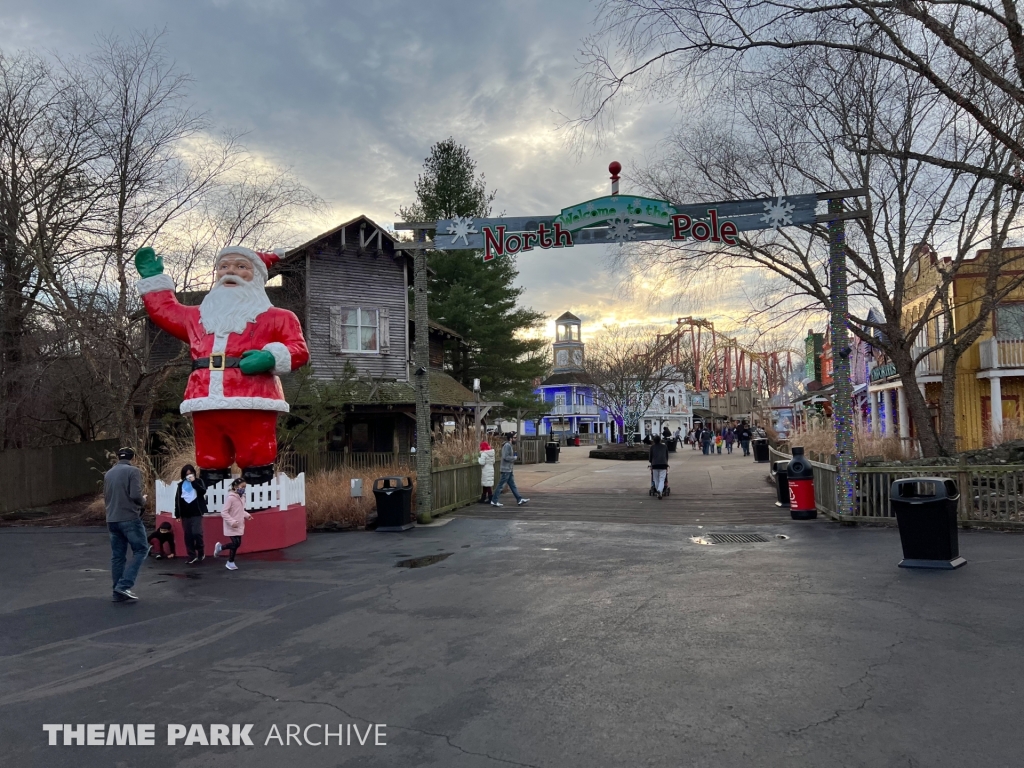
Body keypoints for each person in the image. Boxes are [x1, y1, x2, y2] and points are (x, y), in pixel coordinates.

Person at [135, 245, 310, 486]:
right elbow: (165, 311)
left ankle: (259, 497)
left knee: (255, 453)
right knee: (210, 457)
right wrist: (153, 280)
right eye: (224, 266)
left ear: (256, 275)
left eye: (241, 266)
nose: (230, 272)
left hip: (253, 400)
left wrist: (270, 357)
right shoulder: (198, 317)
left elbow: (298, 350)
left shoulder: (279, 317)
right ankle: (211, 495)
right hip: (204, 397)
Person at [104, 447, 149, 602]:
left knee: (118, 556)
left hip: (112, 518)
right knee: (141, 549)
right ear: (132, 458)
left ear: (118, 457)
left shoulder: (108, 474)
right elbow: (135, 495)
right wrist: (143, 501)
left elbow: (107, 496)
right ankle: (124, 585)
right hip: (129, 518)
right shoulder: (133, 471)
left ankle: (117, 591)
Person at [213, 478, 252, 570]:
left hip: (239, 524)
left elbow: (240, 510)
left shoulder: (242, 498)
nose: (243, 489)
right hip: (231, 525)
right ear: (235, 486)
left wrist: (247, 515)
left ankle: (230, 561)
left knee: (237, 544)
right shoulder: (230, 498)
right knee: (236, 543)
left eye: (245, 487)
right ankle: (222, 550)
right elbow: (224, 512)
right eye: (242, 487)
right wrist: (231, 522)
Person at [174, 463, 208, 564]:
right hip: (185, 514)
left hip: (196, 512)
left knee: (197, 533)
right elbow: (177, 500)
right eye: (187, 474)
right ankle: (191, 555)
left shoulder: (199, 481)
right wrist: (177, 514)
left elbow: (202, 491)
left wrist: (194, 483)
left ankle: (201, 551)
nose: (189, 476)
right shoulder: (181, 485)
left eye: (191, 473)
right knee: (188, 535)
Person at [492, 433, 529, 507]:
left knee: (512, 485)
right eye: (514, 437)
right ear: (510, 438)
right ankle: (494, 500)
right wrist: (514, 458)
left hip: (509, 469)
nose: (516, 439)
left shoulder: (509, 445)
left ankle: (519, 499)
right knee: (500, 485)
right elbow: (505, 457)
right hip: (506, 469)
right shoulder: (507, 446)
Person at [649, 434, 669, 500]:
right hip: (663, 465)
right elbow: (666, 456)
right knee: (662, 479)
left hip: (654, 465)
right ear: (660, 440)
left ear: (654, 441)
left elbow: (650, 457)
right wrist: (666, 462)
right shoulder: (664, 446)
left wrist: (651, 462)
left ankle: (658, 491)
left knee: (656, 479)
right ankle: (660, 491)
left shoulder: (652, 447)